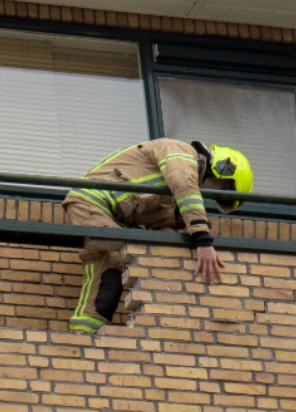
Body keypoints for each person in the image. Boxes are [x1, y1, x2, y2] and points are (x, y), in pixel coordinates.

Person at [63, 139, 253, 334]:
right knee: (121, 254)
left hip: (105, 214)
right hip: (91, 203)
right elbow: (184, 186)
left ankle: (84, 332)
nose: (212, 195)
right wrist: (202, 240)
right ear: (223, 167)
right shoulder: (180, 152)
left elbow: (159, 222)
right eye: (222, 190)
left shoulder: (169, 192)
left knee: (108, 265)